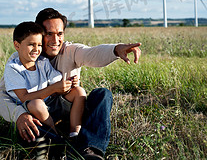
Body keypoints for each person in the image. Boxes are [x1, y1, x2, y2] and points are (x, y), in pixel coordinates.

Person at [0, 8, 141, 160]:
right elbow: (2, 95)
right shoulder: (20, 59)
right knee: (32, 133)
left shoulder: (69, 51)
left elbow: (92, 53)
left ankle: (89, 149)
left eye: (60, 34)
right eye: (49, 34)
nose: (55, 40)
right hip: (37, 116)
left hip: (69, 111)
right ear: (39, 34)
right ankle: (57, 145)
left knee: (102, 94)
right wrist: (20, 116)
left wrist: (115, 49)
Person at [4, 21, 86, 140]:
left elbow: (57, 84)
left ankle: (74, 133)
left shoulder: (43, 62)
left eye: (40, 45)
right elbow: (24, 97)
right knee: (36, 103)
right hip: (31, 111)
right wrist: (53, 88)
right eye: (31, 44)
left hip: (50, 104)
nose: (36, 49)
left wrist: (68, 84)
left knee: (78, 91)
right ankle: (56, 135)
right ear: (17, 45)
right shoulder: (13, 68)